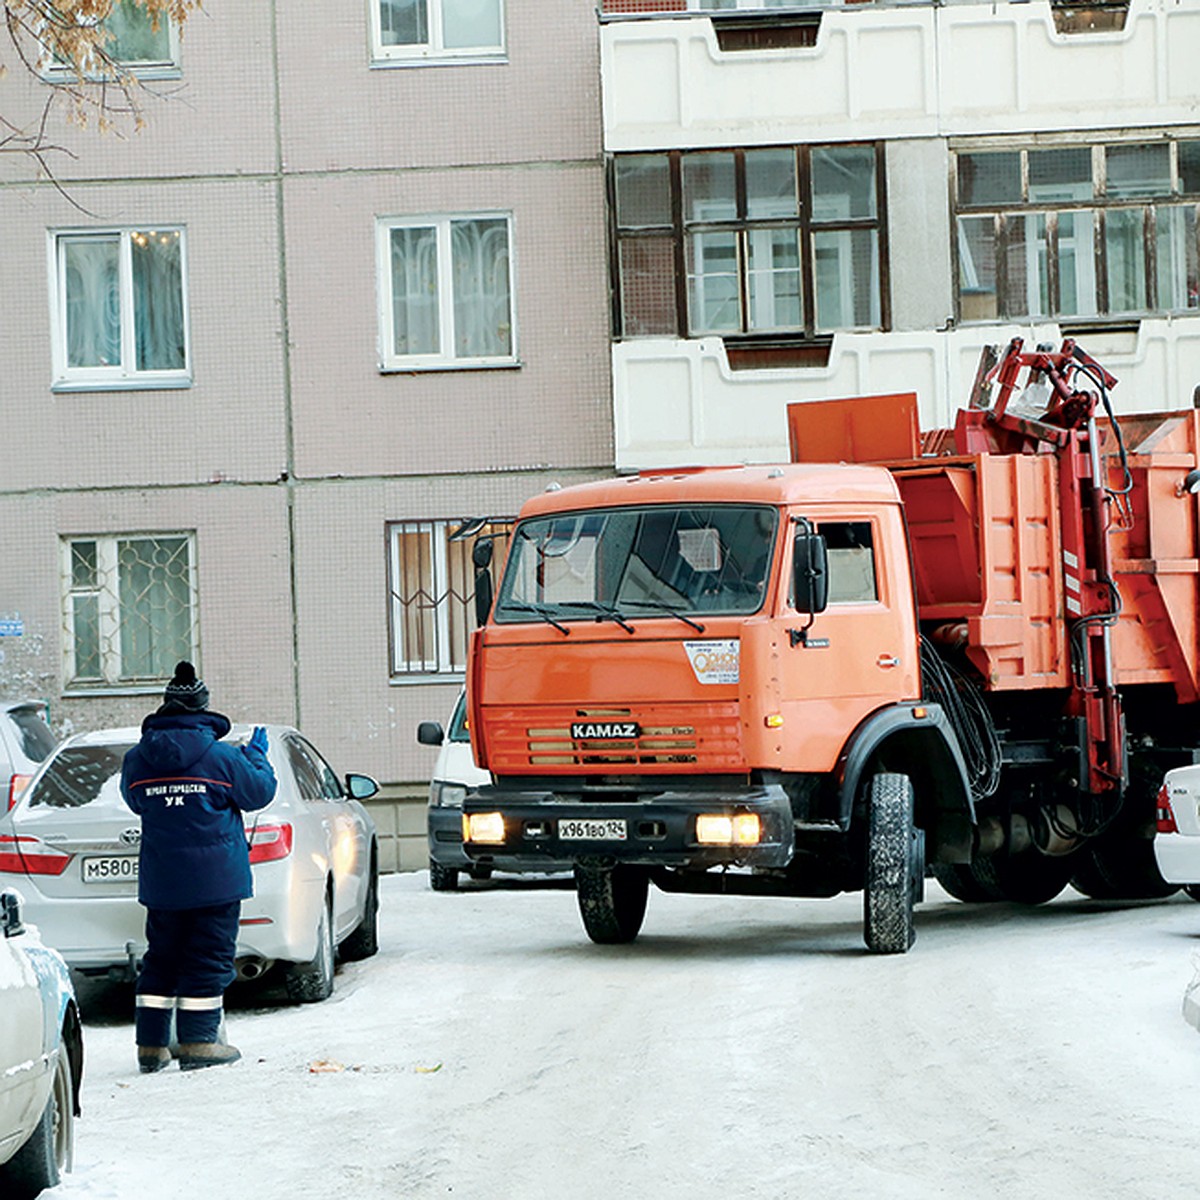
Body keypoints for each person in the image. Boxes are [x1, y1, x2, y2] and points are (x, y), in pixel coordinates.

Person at [120, 661, 277, 1073]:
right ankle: (200, 1042)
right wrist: (258, 758)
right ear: (203, 709)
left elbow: (136, 802)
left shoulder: (138, 760)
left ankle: (151, 1047)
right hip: (216, 882)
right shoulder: (220, 758)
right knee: (208, 958)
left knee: (162, 958)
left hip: (163, 882)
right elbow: (259, 792)